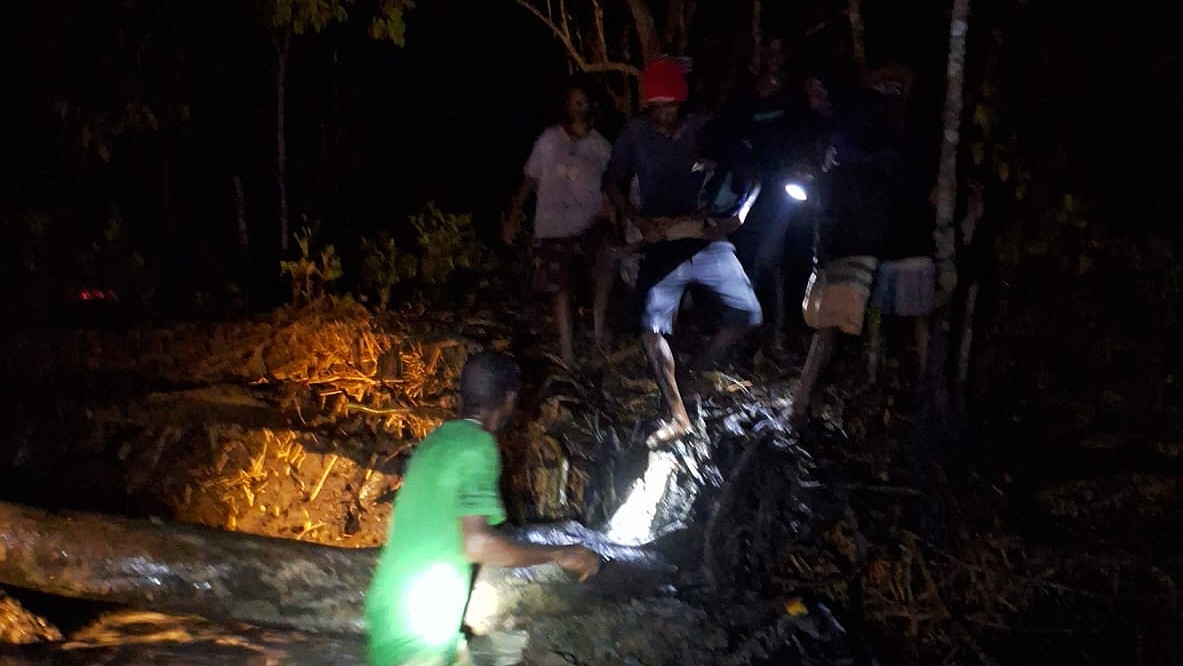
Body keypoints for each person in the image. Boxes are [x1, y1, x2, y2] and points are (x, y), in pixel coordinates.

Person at [365, 352, 601, 666]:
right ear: (509, 399)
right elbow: (476, 544)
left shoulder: (437, 440)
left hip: (392, 611)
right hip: (419, 633)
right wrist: (558, 554)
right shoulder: (479, 446)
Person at [603, 57, 763, 446]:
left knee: (748, 313)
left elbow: (753, 174)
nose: (662, 115)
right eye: (655, 107)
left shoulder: (704, 126)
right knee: (651, 328)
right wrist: (636, 220)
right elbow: (611, 181)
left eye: (670, 106)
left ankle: (694, 373)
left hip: (706, 235)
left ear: (682, 103)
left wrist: (738, 216)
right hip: (661, 236)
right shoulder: (636, 134)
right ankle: (678, 414)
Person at [786, 71, 897, 427]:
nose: (813, 99)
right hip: (830, 238)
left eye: (817, 89)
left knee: (833, 322)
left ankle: (801, 405)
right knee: (824, 318)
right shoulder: (829, 131)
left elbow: (871, 175)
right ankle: (810, 405)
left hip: (856, 236)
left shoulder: (861, 125)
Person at [504, 84, 615, 367]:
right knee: (560, 287)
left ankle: (598, 341)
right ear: (566, 106)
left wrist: (613, 216)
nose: (579, 107)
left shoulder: (601, 146)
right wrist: (514, 216)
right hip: (553, 226)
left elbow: (611, 187)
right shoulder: (549, 139)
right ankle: (567, 353)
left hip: (590, 224)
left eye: (584, 101)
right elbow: (530, 179)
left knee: (602, 273)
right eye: (574, 101)